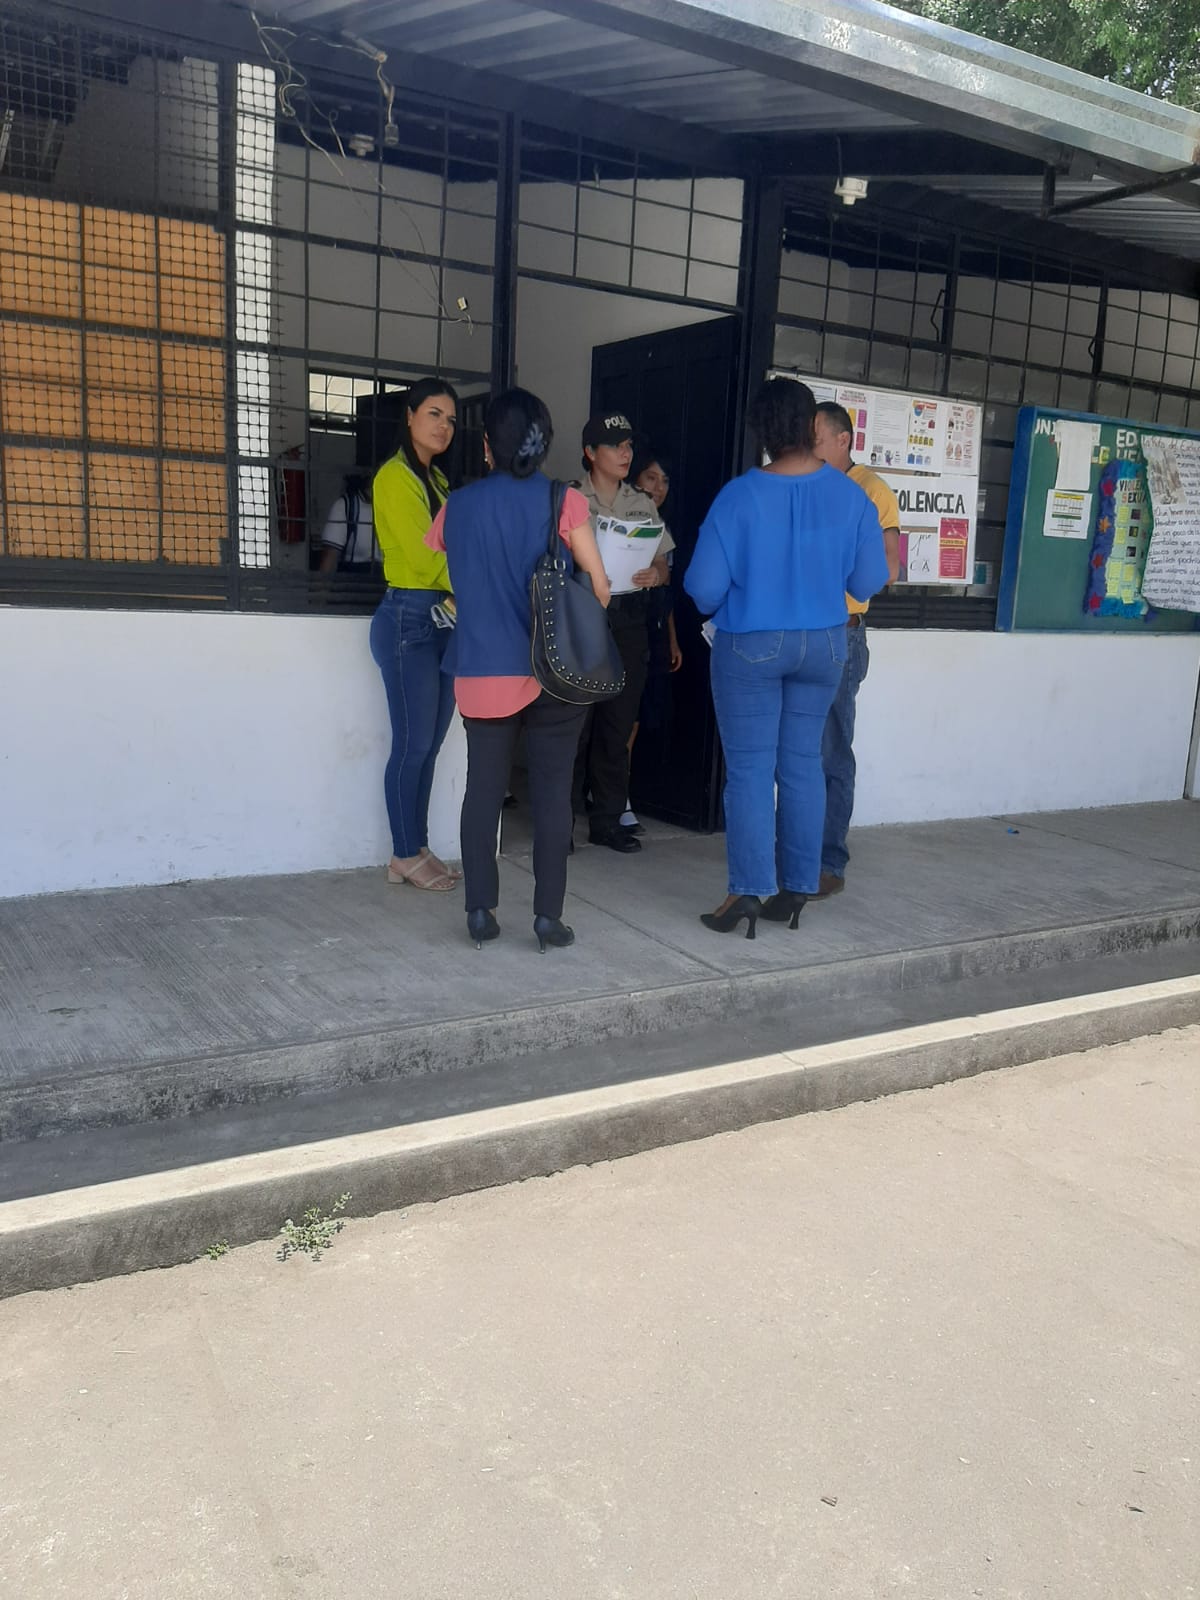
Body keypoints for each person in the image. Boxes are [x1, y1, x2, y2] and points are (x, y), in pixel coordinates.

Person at [684, 377, 890, 939]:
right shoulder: (851, 496)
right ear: (811, 426)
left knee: (751, 770)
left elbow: (702, 588)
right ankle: (798, 885)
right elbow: (869, 579)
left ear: (761, 430)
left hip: (752, 642)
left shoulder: (739, 496)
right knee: (802, 765)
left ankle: (747, 891)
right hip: (825, 643)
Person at [427, 388, 611, 953]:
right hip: (554, 672)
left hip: (482, 669)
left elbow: (453, 565)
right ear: (543, 443)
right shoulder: (565, 501)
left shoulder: (456, 506)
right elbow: (600, 588)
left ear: (487, 445)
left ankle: (480, 911)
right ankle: (548, 918)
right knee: (553, 794)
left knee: (482, 792)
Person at [368, 378, 461, 893]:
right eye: (434, 414)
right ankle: (403, 853)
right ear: (409, 415)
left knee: (428, 746)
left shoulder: (438, 479)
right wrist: (477, 583)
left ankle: (416, 846)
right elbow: (427, 560)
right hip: (409, 618)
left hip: (442, 619)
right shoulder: (394, 477)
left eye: (451, 419)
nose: (443, 426)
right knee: (413, 745)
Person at [812, 400, 902, 899]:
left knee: (830, 752)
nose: (809, 447)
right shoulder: (805, 484)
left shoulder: (871, 490)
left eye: (816, 439)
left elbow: (888, 568)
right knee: (796, 751)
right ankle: (794, 850)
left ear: (842, 440)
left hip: (840, 633)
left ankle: (829, 861)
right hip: (799, 632)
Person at [572, 414, 672, 853]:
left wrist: (657, 573)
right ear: (591, 453)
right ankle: (559, 822)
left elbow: (663, 561)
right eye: (615, 445)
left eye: (629, 445)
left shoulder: (642, 503)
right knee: (575, 724)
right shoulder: (571, 498)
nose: (625, 453)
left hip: (629, 621)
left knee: (617, 724)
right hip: (583, 619)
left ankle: (607, 821)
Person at [622, 445, 683, 832]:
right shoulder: (624, 520)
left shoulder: (663, 528)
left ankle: (617, 794)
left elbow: (666, 593)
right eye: (651, 477)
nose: (658, 487)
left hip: (654, 633)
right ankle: (615, 798)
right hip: (624, 628)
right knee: (623, 720)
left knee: (641, 716)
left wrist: (673, 639)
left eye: (664, 481)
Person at [317, 473, 378, 574]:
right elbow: (329, 557)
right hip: (354, 576)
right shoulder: (346, 506)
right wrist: (321, 583)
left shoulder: (395, 507)